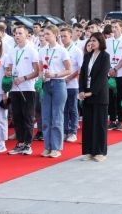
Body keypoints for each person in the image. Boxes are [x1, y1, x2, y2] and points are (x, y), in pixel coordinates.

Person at [6, 26, 40, 156]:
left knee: (28, 117)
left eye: (20, 33)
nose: (17, 36)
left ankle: (28, 144)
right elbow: (8, 68)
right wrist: (8, 73)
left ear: (27, 35)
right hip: (15, 88)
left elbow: (37, 71)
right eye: (15, 34)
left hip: (28, 88)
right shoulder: (12, 51)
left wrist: (24, 78)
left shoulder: (32, 51)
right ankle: (20, 143)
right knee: (17, 116)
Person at [39, 25, 71, 158]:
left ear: (55, 35)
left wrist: (55, 75)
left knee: (57, 116)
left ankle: (56, 147)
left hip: (58, 84)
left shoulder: (62, 50)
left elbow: (69, 69)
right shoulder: (42, 50)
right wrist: (41, 77)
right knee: (46, 117)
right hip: (46, 84)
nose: (45, 37)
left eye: (48, 34)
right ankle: (47, 146)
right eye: (44, 34)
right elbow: (41, 68)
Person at [78, 32, 111, 162]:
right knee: (88, 124)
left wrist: (92, 92)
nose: (91, 43)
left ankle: (100, 152)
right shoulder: (87, 56)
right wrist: (81, 90)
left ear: (100, 42)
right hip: (86, 94)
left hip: (99, 94)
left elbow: (103, 76)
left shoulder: (105, 56)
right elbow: (83, 74)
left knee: (99, 124)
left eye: (94, 40)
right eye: (90, 40)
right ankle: (89, 151)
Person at [106, 20, 122, 131]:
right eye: (113, 27)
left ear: (121, 28)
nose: (114, 29)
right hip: (109, 73)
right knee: (110, 98)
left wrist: (116, 68)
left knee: (120, 97)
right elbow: (105, 56)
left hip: (120, 74)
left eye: (116, 27)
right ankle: (112, 120)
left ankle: (120, 121)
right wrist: (109, 69)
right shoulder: (107, 41)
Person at [60, 27, 84, 143]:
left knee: (73, 108)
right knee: (63, 109)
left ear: (70, 36)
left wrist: (69, 77)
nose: (63, 38)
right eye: (61, 36)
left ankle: (73, 131)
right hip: (60, 84)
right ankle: (65, 130)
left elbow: (80, 69)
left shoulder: (76, 50)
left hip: (72, 84)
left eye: (65, 36)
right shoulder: (59, 49)